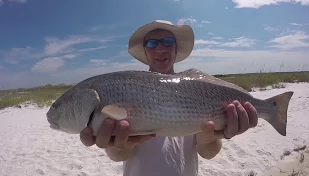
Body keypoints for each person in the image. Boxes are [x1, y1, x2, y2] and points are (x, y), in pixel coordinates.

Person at [79, 20, 258, 176]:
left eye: (167, 41)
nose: (160, 48)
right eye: (151, 44)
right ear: (145, 51)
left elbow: (208, 153)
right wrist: (121, 144)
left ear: (175, 48)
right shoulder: (127, 89)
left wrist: (210, 136)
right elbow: (117, 156)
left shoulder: (196, 90)